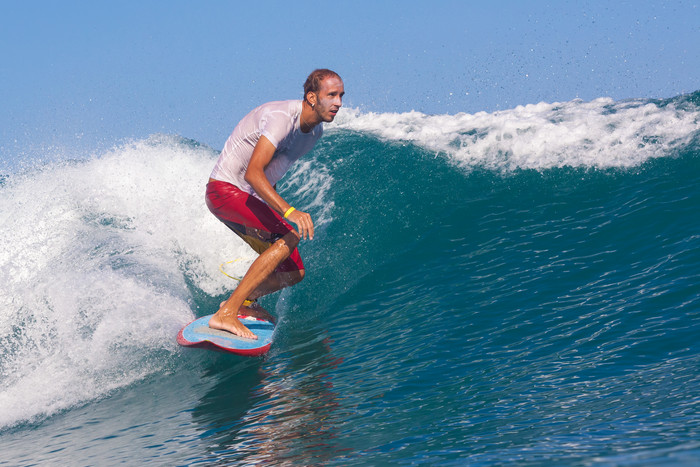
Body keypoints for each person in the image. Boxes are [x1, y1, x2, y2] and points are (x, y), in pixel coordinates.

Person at [205, 69, 344, 339]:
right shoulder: (282, 119)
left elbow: (270, 175)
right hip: (225, 190)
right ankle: (226, 314)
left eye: (341, 96)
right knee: (289, 237)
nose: (339, 102)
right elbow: (253, 173)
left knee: (293, 271)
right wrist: (289, 212)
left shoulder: (314, 133)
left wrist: (271, 215)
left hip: (246, 197)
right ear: (312, 97)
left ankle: (244, 303)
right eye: (332, 95)